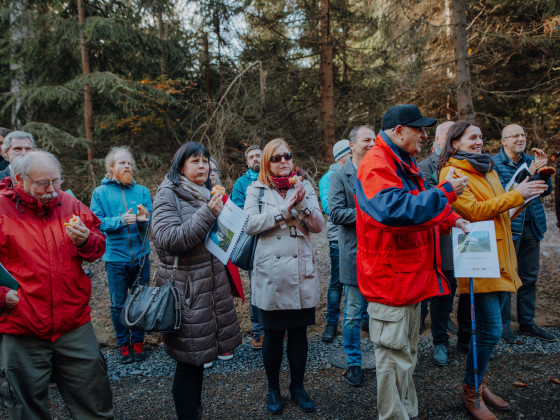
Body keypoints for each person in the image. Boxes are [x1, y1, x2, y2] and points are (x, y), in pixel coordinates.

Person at [355, 104, 470, 420]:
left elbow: (420, 205)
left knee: (406, 356)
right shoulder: (376, 164)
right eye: (418, 128)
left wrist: (450, 219)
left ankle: (407, 412)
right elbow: (394, 210)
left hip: (407, 279)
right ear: (398, 131)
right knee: (393, 359)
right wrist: (446, 193)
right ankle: (395, 416)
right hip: (390, 282)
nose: (424, 134)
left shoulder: (401, 162)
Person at [438, 120, 548, 420]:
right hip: (480, 258)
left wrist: (524, 196)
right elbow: (472, 211)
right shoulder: (452, 172)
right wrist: (516, 195)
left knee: (491, 330)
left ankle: (480, 383)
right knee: (490, 331)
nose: (478, 141)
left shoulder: (484, 168)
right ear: (455, 142)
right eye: (472, 137)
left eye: (481, 137)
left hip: (502, 254)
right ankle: (470, 393)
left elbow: (501, 207)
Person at [0, 150, 113, 419]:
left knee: (95, 404)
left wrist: (86, 240)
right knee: (26, 410)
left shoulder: (71, 205)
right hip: (21, 326)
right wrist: (2, 296)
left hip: (73, 324)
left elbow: (98, 247)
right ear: (19, 180)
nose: (53, 190)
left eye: (57, 181)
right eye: (43, 183)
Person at [151, 142, 241, 420]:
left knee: (200, 357)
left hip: (210, 285)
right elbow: (169, 240)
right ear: (181, 166)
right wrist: (209, 213)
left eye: (205, 161)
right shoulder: (168, 195)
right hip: (186, 289)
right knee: (189, 363)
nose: (202, 166)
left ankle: (195, 410)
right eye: (195, 161)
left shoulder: (205, 192)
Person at [244, 138, 324, 414]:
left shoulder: (305, 185)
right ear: (267, 162)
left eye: (287, 156)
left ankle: (298, 387)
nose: (283, 161)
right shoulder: (256, 189)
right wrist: (283, 209)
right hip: (271, 272)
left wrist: (301, 204)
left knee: (299, 334)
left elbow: (319, 225)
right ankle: (273, 388)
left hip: (300, 270)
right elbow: (249, 225)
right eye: (276, 158)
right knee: (273, 335)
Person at [492, 124, 555, 343]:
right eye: (515, 135)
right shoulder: (493, 164)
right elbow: (502, 193)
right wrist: (529, 173)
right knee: (507, 276)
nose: (521, 138)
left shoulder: (531, 160)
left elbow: (545, 190)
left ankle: (527, 322)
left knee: (529, 277)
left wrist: (544, 174)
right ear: (504, 141)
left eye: (523, 134)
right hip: (509, 226)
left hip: (533, 224)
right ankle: (503, 326)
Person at [90, 147, 152, 364]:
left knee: (141, 301)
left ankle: (138, 341)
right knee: (118, 304)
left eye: (129, 163)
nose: (127, 166)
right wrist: (119, 221)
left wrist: (145, 220)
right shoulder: (100, 193)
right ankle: (123, 344)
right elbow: (96, 224)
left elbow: (149, 222)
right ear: (111, 167)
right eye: (122, 163)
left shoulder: (143, 191)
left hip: (142, 257)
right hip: (115, 258)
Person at [329, 125, 375, 387]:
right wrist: (369, 214)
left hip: (381, 254)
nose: (371, 143)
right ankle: (354, 363)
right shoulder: (341, 174)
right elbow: (335, 214)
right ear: (352, 145)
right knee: (353, 312)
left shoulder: (381, 172)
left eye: (374, 140)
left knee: (380, 310)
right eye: (366, 140)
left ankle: (384, 356)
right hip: (354, 252)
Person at [418, 120, 459, 366]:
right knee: (441, 287)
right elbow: (429, 201)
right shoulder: (424, 167)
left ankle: (462, 336)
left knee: (457, 287)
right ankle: (439, 341)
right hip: (440, 236)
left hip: (467, 232)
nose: (455, 139)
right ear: (436, 140)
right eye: (449, 135)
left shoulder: (471, 164)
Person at [231, 144, 265, 350]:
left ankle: (279, 326)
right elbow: (236, 209)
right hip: (253, 240)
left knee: (278, 283)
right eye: (251, 157)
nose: (255, 159)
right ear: (247, 162)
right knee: (257, 286)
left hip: (275, 238)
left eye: (258, 155)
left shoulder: (273, 176)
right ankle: (258, 330)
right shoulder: (241, 183)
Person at [318, 139, 352, 343]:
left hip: (357, 234)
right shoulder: (328, 178)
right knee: (337, 281)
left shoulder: (359, 172)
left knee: (358, 279)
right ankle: (331, 323)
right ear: (342, 157)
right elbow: (329, 208)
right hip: (338, 236)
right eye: (349, 155)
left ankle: (361, 319)